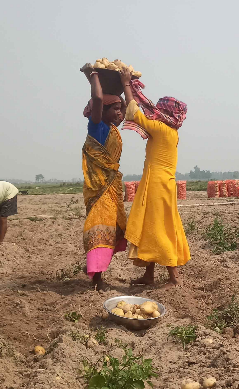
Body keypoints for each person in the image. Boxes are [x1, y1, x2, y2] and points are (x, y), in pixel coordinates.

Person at [123, 78, 190, 288]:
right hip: (163, 184)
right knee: (152, 226)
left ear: (165, 113)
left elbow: (135, 113)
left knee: (159, 227)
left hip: (157, 185)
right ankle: (149, 275)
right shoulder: (172, 132)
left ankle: (174, 276)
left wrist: (126, 84)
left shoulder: (161, 129)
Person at [79, 65, 141, 291]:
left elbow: (129, 108)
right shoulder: (98, 128)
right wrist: (93, 75)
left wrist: (125, 83)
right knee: (98, 229)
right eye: (114, 109)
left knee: (112, 229)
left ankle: (98, 275)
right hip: (100, 190)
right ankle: (96, 279)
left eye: (120, 109)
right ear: (101, 112)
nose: (119, 113)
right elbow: (96, 98)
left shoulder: (113, 129)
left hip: (111, 188)